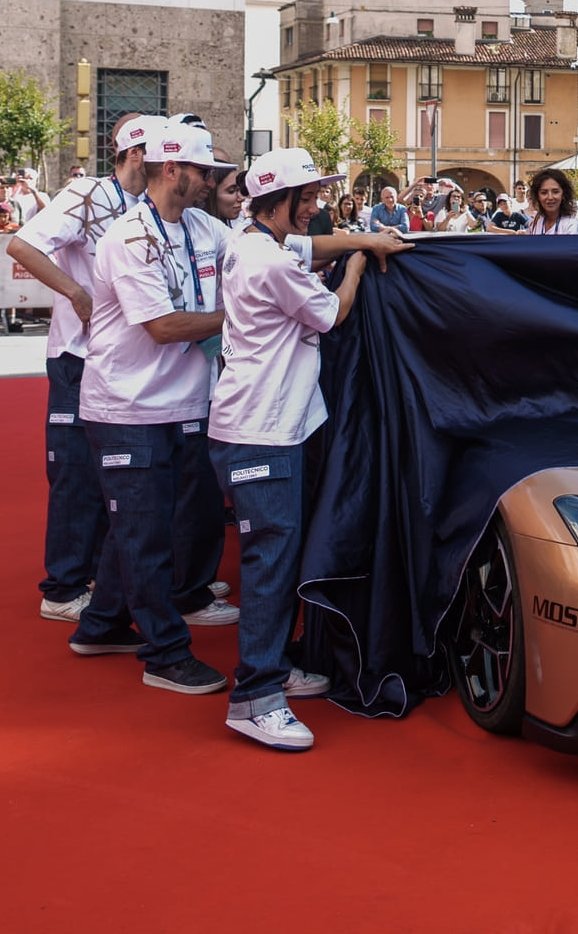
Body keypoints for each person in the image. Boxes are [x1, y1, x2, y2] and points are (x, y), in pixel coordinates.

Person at [209, 147, 409, 749]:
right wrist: (358, 264)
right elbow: (334, 313)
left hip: (258, 427)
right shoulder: (268, 262)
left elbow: (312, 247)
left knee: (274, 559)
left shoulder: (249, 240)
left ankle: (269, 667)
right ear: (280, 201)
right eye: (311, 198)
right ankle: (255, 697)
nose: (318, 209)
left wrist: (360, 241)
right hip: (261, 433)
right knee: (270, 566)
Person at [67, 123, 244, 691]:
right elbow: (164, 326)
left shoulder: (202, 226)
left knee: (144, 527)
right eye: (205, 174)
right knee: (146, 533)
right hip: (126, 410)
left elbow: (267, 254)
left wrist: (357, 249)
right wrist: (244, 317)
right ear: (173, 170)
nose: (213, 183)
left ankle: (100, 625)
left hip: (178, 404)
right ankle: (165, 653)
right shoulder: (129, 237)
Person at [8, 114, 163, 623]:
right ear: (137, 153)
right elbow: (22, 244)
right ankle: (63, 586)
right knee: (76, 471)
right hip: (78, 356)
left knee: (116, 471)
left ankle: (98, 574)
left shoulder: (154, 206)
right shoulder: (87, 193)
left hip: (128, 359)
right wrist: (76, 293)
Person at [525, 167, 578, 234]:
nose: (550, 197)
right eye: (544, 192)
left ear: (563, 194)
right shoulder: (536, 221)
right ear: (537, 196)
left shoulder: (571, 225)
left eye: (555, 192)